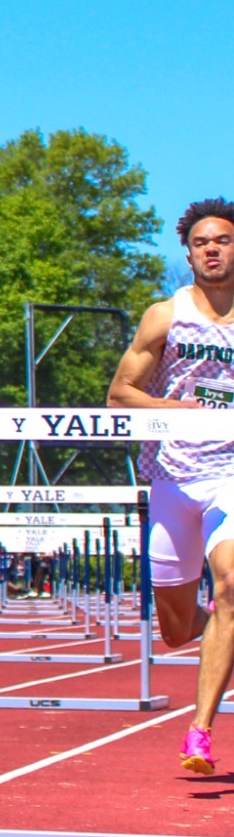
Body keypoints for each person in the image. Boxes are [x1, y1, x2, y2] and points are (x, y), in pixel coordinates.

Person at [109, 197, 234, 775]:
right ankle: (222, 637)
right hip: (172, 475)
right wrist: (169, 407)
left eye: (224, 240)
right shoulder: (165, 314)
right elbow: (120, 394)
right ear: (187, 252)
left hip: (230, 473)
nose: (213, 249)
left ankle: (199, 732)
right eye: (203, 241)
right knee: (177, 630)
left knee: (231, 583)